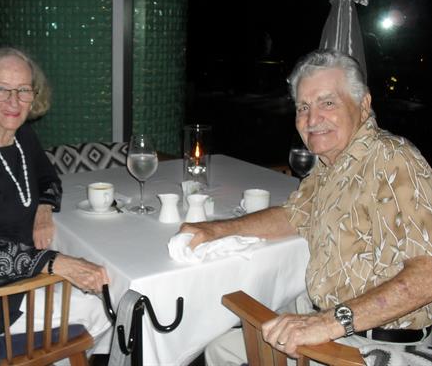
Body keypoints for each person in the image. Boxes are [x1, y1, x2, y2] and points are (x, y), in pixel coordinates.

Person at [180, 49, 432, 364]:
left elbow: (427, 274)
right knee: (219, 346)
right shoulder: (330, 166)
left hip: (376, 343)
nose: (312, 120)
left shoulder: (392, 160)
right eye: (303, 107)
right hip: (329, 318)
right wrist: (216, 230)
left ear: (363, 104)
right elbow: (293, 215)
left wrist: (326, 323)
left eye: (328, 103)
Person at [0, 47, 110, 336]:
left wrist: (43, 210)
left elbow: (47, 177)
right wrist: (58, 263)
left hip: (18, 266)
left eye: (23, 90)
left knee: (103, 284)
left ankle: (62, 352)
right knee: (106, 305)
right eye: (1, 89)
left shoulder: (20, 135)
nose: (14, 101)